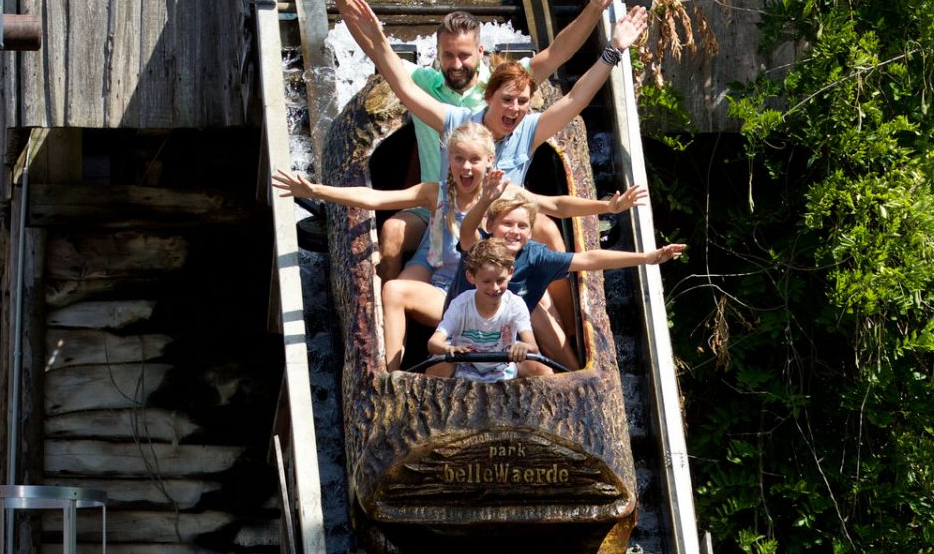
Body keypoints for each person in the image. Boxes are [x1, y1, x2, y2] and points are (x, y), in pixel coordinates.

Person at [317, 0, 627, 276]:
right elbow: (378, 51)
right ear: (436, 55)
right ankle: (388, 314)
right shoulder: (427, 89)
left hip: (498, 208)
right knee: (393, 232)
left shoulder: (503, 88)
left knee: (547, 230)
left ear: (480, 53)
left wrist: (594, 10)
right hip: (436, 206)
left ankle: (561, 314)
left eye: (463, 55)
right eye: (448, 55)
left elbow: (556, 55)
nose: (456, 64)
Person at [272, 138, 647, 371]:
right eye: (458, 160)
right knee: (394, 290)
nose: (466, 168)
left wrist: (608, 208)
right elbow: (376, 199)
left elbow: (556, 204)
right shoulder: (437, 193)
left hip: (503, 293)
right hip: (452, 290)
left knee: (534, 303)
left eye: (474, 161)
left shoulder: (504, 194)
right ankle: (389, 376)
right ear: (448, 161)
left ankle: (578, 376)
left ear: (489, 163)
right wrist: (318, 190)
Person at [451, 178, 686, 365]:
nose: (514, 231)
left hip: (507, 331)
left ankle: (573, 371)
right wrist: (485, 201)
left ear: (531, 232)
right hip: (466, 326)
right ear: (490, 225)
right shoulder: (478, 246)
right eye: (507, 224)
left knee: (536, 321)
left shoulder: (536, 255)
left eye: (522, 226)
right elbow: (468, 226)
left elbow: (590, 259)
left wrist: (647, 258)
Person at [424, 237, 545, 381]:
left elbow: (533, 347)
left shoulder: (515, 305)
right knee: (437, 366)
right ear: (471, 276)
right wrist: (448, 349)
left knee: (541, 368)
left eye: (500, 280)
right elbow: (433, 343)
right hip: (464, 366)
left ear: (510, 272)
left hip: (503, 366)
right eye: (486, 281)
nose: (494, 288)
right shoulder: (460, 304)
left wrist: (524, 348)